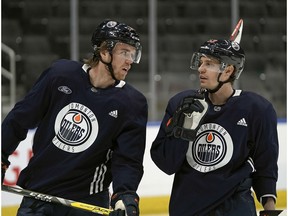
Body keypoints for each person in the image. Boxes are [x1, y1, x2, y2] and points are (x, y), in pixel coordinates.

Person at [2, 20, 148, 216]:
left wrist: (125, 194)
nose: (130, 60)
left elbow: (128, 159)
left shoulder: (133, 103)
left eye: (133, 54)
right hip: (39, 193)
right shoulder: (60, 75)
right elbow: (20, 118)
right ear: (104, 52)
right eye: (124, 52)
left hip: (87, 201)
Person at [150, 38, 279, 215]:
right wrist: (183, 129)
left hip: (235, 209)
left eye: (209, 64)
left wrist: (269, 209)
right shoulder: (181, 104)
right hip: (188, 209)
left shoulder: (257, 110)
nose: (200, 69)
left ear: (228, 70)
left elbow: (266, 164)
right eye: (201, 62)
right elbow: (167, 164)